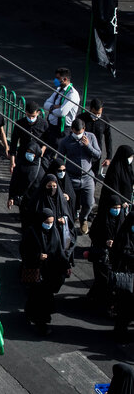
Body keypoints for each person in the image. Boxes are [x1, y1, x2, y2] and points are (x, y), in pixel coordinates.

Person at [21, 208, 70, 336]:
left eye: (51, 222)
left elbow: (59, 250)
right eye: (47, 222)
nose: (49, 225)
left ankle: (32, 314)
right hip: (36, 270)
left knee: (43, 296)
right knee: (39, 297)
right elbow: (24, 250)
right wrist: (37, 256)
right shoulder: (32, 232)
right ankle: (41, 323)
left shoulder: (54, 232)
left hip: (50, 272)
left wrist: (66, 265)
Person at [58, 118, 101, 234]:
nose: (78, 135)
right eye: (75, 133)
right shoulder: (66, 141)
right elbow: (59, 158)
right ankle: (71, 222)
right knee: (71, 203)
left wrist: (88, 146)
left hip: (87, 176)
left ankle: (84, 219)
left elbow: (98, 154)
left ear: (84, 129)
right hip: (71, 177)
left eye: (80, 133)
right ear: (71, 130)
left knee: (89, 203)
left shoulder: (90, 137)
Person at [88, 195, 125, 308]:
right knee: (103, 279)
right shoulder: (100, 219)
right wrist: (105, 241)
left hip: (116, 255)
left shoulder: (122, 220)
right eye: (114, 207)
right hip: (101, 254)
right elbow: (93, 234)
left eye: (118, 207)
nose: (116, 210)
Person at [7, 141, 45, 227]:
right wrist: (11, 197)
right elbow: (14, 181)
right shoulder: (21, 164)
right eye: (28, 151)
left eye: (32, 152)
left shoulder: (42, 166)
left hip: (36, 201)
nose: (29, 154)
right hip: (23, 200)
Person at [110, 213, 134, 342]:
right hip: (126, 276)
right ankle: (120, 332)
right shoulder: (124, 236)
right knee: (125, 307)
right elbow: (121, 253)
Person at [43, 67, 80, 150]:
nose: (55, 80)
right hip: (51, 126)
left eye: (57, 78)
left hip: (62, 130)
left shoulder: (72, 94)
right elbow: (46, 104)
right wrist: (54, 106)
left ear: (65, 79)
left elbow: (62, 112)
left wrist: (52, 108)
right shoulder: (59, 90)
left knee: (56, 152)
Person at [9, 101, 49, 175]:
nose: (30, 118)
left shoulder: (44, 124)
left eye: (33, 116)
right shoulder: (20, 123)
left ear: (38, 113)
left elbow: (47, 140)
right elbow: (13, 143)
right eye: (28, 116)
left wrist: (42, 150)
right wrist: (12, 162)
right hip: (22, 155)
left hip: (37, 157)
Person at [77, 98, 112, 177]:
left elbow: (108, 139)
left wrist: (109, 157)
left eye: (98, 114)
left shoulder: (105, 120)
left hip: (96, 153)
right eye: (94, 113)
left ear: (102, 109)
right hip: (82, 152)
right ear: (90, 109)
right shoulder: (81, 118)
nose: (96, 116)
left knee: (93, 176)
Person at [97, 145, 133, 217]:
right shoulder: (115, 169)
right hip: (116, 204)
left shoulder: (127, 166)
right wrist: (122, 202)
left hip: (127, 201)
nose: (131, 159)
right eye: (130, 157)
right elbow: (113, 187)